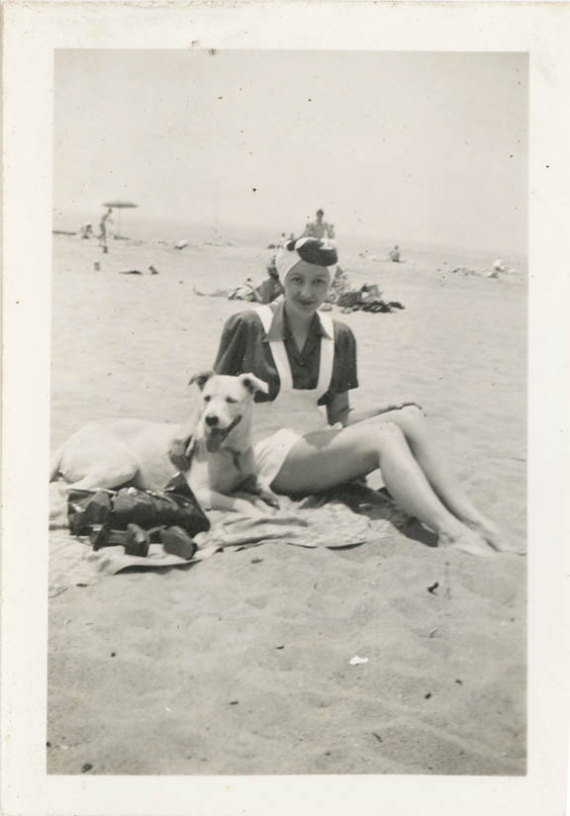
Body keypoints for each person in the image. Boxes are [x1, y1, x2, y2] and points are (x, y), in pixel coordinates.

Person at [172, 237, 516, 557]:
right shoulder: (247, 324)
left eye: (319, 281)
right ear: (281, 279)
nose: (307, 291)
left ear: (331, 284)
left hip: (314, 442)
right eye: (297, 280)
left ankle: (474, 521)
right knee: (384, 437)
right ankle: (449, 532)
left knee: (406, 417)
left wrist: (385, 409)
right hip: (264, 450)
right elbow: (213, 390)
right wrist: (187, 431)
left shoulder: (340, 336)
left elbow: (341, 417)